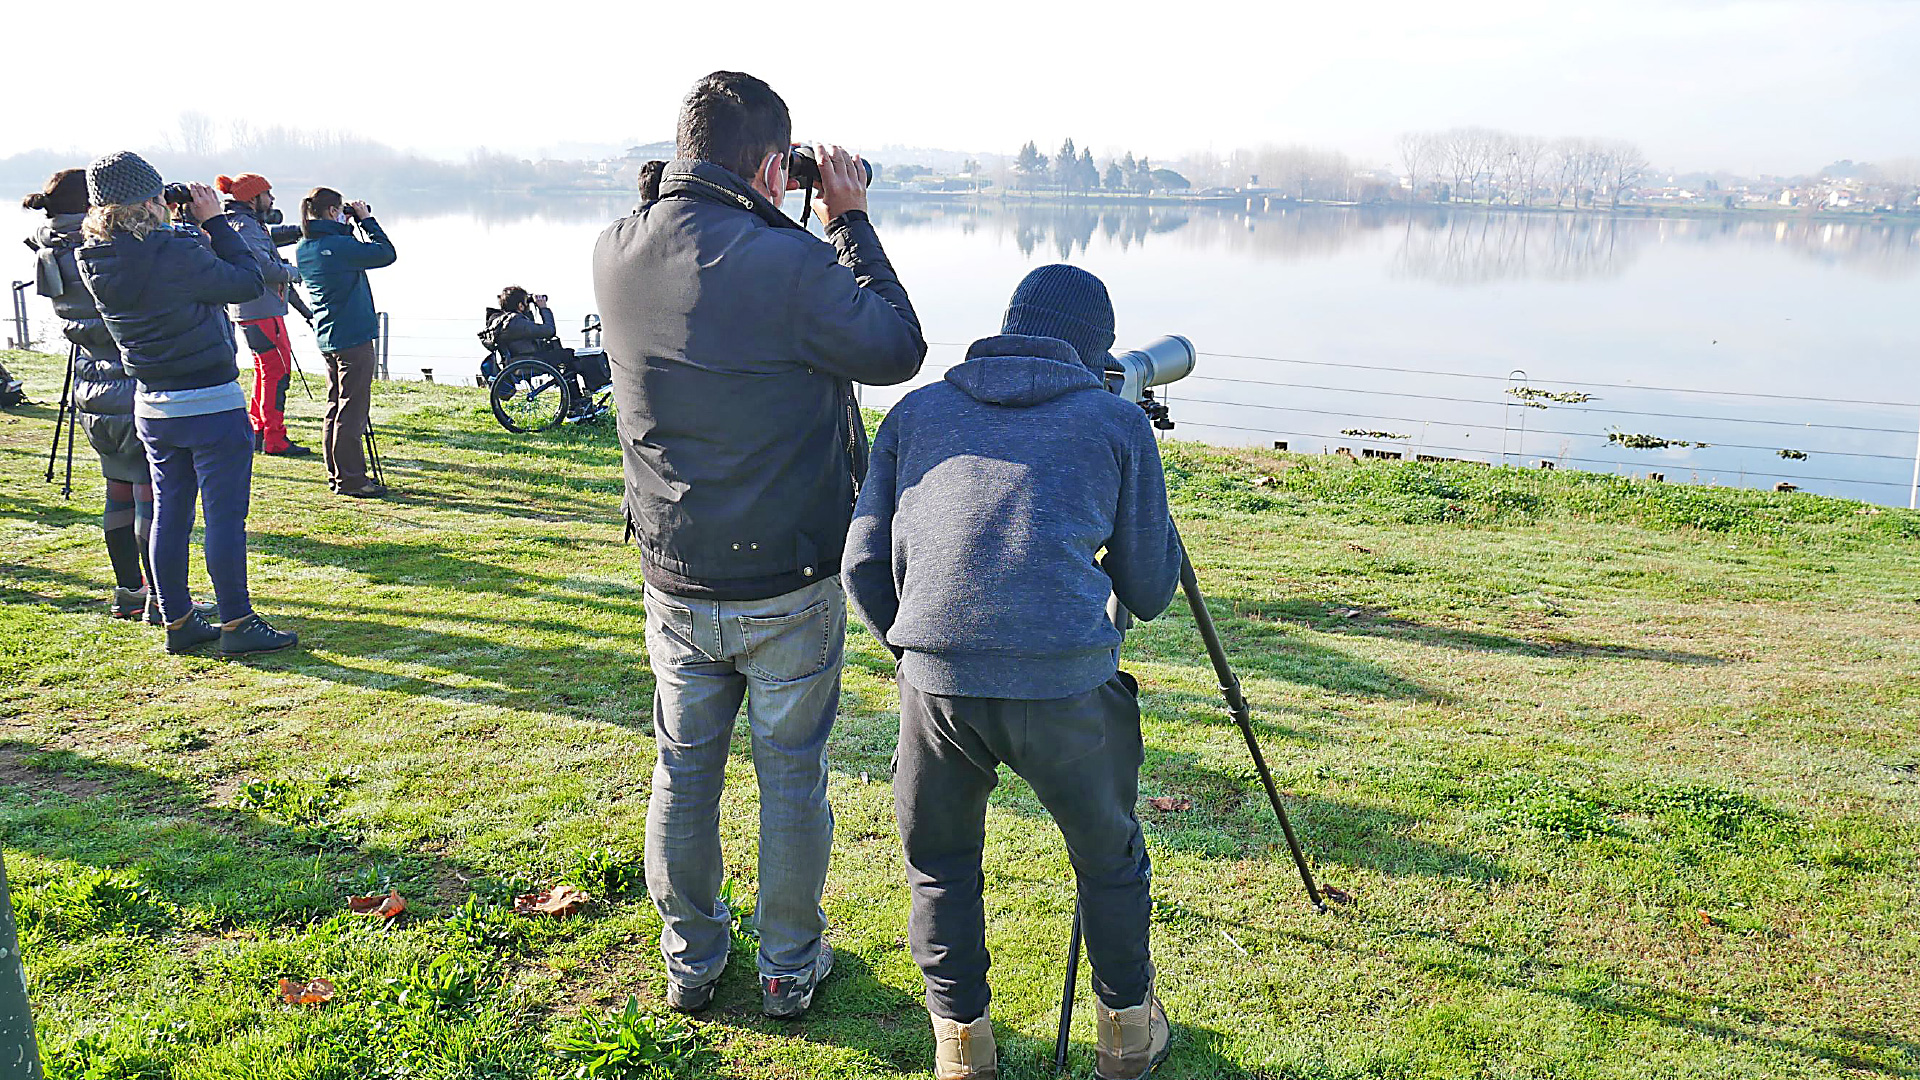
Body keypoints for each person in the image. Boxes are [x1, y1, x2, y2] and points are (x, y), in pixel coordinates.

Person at [592, 71, 926, 1019]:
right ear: (777, 165)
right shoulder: (790, 265)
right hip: (788, 576)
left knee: (683, 770)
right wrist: (848, 219)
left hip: (674, 574)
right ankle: (788, 964)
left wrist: (743, 194)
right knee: (791, 779)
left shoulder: (616, 252)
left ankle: (691, 960)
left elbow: (682, 235)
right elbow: (897, 346)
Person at [842, 265, 1185, 1080]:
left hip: (937, 686)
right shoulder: (1114, 425)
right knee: (1109, 861)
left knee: (942, 865)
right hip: (1066, 684)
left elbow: (860, 564)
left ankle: (963, 1053)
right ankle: (1126, 1040)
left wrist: (919, 644)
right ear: (1094, 350)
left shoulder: (916, 411)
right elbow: (1149, 589)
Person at [75, 151, 298, 657]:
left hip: (152, 405)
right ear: (152, 200)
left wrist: (184, 230)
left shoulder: (95, 257)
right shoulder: (175, 253)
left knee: (170, 515)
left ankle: (177, 621)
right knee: (223, 517)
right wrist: (215, 221)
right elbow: (246, 280)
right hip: (209, 402)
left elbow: (160, 271)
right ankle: (237, 621)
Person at [24, 168, 216, 624]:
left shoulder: (51, 247)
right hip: (134, 381)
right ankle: (165, 602)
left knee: (118, 491)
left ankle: (130, 592)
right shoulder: (104, 249)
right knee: (151, 494)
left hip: (91, 384)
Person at [294, 187, 395, 498]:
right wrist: (366, 220)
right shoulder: (340, 245)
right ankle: (352, 480)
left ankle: (337, 475)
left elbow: (343, 250)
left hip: (329, 336)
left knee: (335, 406)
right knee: (353, 409)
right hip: (353, 335)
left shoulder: (304, 246)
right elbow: (385, 253)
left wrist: (346, 223)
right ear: (331, 212)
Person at [216, 173, 310, 457]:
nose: (272, 199)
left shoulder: (240, 223)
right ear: (253, 198)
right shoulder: (247, 226)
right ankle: (274, 438)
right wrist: (295, 273)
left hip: (251, 309)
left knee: (265, 370)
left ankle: (258, 432)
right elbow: (264, 269)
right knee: (277, 372)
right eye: (268, 194)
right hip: (262, 310)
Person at [479, 285, 607, 417]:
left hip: (521, 359)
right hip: (529, 361)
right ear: (520, 306)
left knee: (565, 358)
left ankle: (577, 403)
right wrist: (543, 308)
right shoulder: (514, 322)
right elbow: (548, 331)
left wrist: (528, 310)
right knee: (569, 357)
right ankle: (578, 403)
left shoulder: (504, 321)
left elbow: (531, 331)